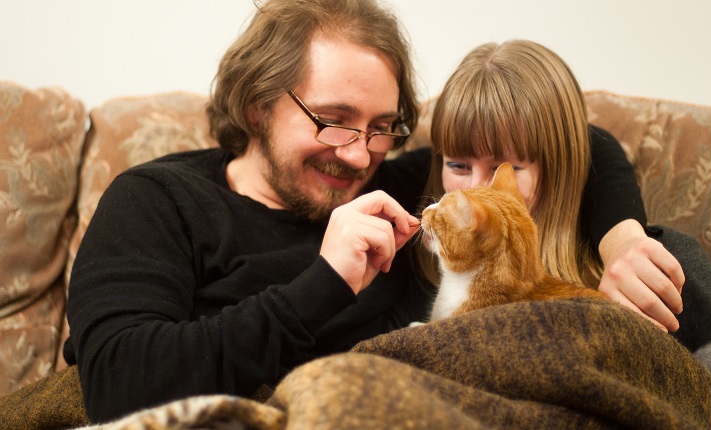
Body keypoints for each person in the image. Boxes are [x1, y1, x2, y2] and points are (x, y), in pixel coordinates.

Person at [64, 0, 677, 423]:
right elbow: (118, 385)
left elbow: (569, 143)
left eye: (383, 127)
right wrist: (323, 285)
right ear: (257, 105)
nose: (358, 156)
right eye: (333, 122)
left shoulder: (397, 184)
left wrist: (622, 239)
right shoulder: (157, 201)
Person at [418, 38, 711, 425]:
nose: (472, 191)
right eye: (458, 166)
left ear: (558, 165)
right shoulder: (438, 268)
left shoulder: (660, 263)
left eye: (507, 168)